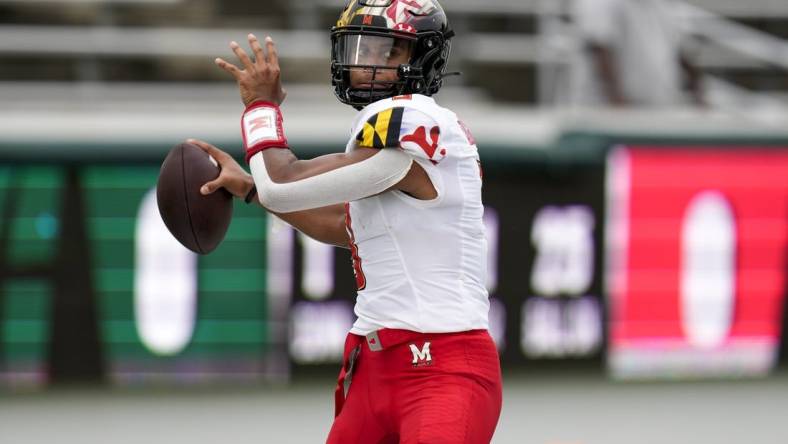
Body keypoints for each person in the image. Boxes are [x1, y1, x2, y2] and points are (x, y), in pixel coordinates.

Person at [190, 0, 502, 442]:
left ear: (424, 58)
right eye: (361, 48)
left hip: (443, 366)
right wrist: (250, 189)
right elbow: (343, 223)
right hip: (373, 366)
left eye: (388, 52)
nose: (367, 63)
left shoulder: (417, 119)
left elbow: (284, 181)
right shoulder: (383, 141)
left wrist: (261, 107)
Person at [569, 0, 705, 107]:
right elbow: (599, 50)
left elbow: (677, 51)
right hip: (604, 114)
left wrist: (698, 92)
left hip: (651, 110)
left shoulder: (659, 5)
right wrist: (618, 105)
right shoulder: (599, 3)